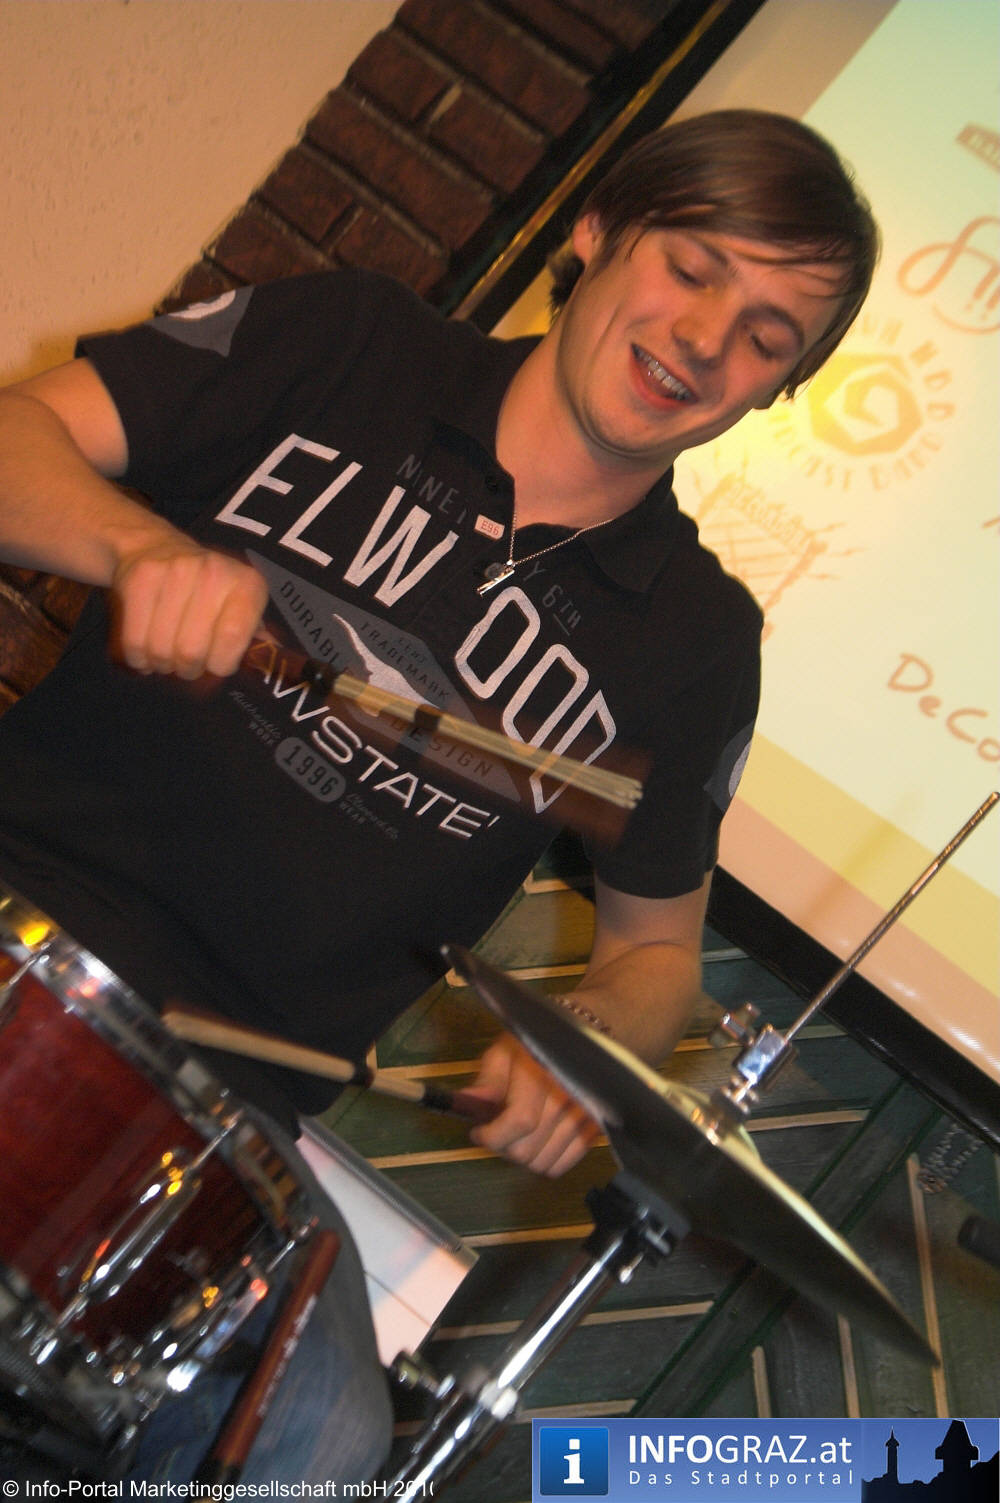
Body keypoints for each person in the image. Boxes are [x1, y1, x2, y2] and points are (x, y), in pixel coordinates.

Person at [0, 110, 878, 1481]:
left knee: (326, 1440)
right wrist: (133, 547)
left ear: (781, 389)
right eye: (692, 267)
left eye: (769, 336)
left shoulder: (697, 645)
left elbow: (656, 953)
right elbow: (16, 435)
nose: (707, 340)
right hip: (27, 932)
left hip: (233, 1122)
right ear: (596, 230)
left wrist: (589, 1044)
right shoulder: (351, 343)